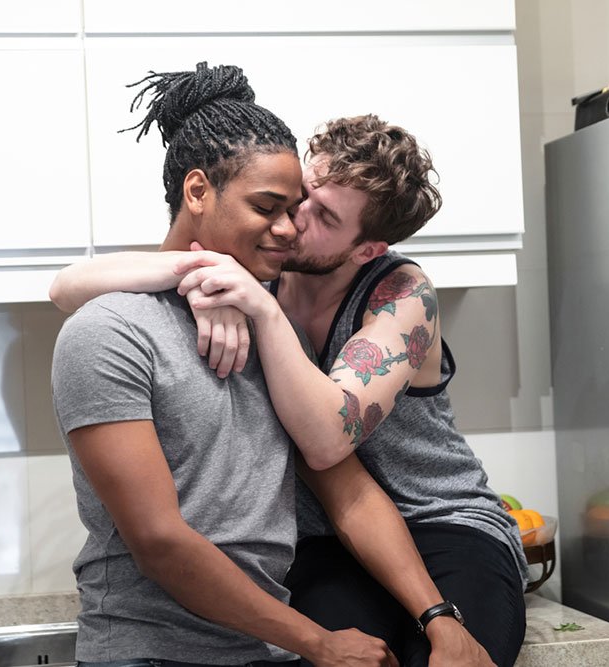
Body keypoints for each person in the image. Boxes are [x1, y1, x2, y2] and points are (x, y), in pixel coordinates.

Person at [51, 111, 529, 666]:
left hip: (435, 520)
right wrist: (205, 272)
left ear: (366, 249)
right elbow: (66, 288)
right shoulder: (251, 277)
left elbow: (326, 445)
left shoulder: (399, 293)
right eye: (293, 198)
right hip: (322, 536)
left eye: (321, 215)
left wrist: (257, 307)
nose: (293, 221)